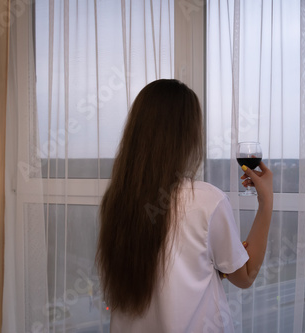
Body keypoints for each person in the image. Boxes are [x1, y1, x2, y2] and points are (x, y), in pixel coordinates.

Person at [96, 79, 273, 332]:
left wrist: (206, 264)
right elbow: (246, 276)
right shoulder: (206, 200)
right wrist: (266, 202)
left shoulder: (117, 201)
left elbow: (159, 272)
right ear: (187, 137)